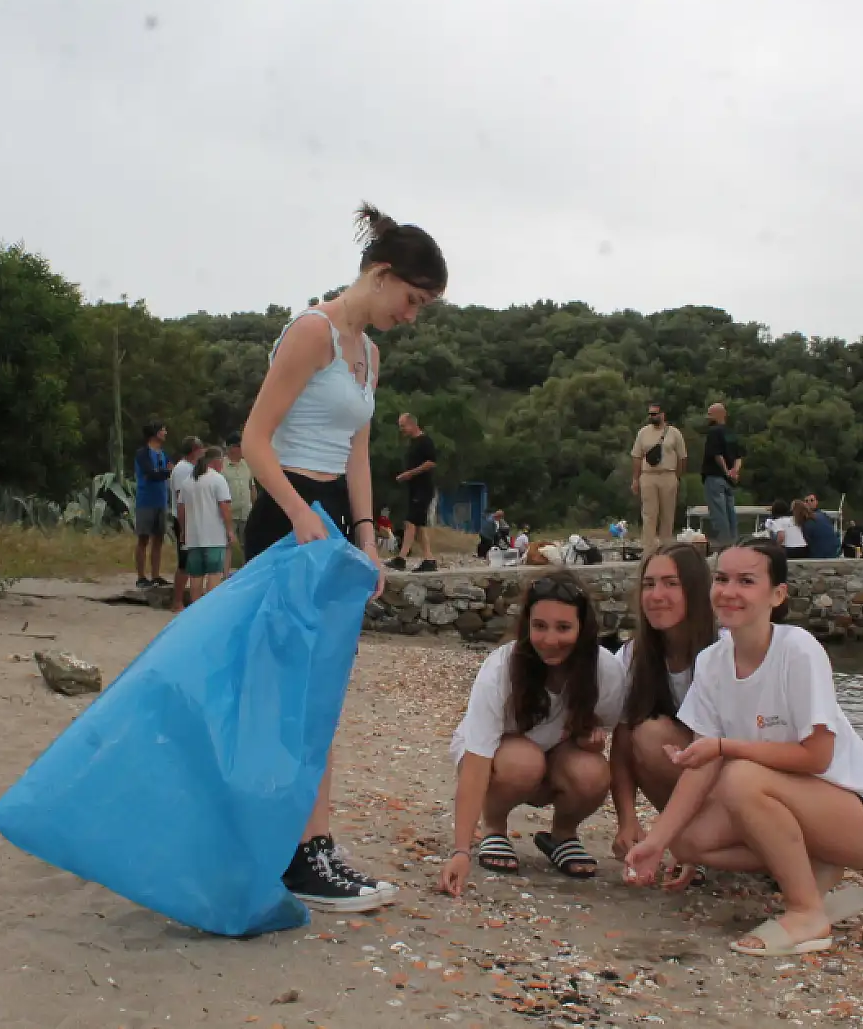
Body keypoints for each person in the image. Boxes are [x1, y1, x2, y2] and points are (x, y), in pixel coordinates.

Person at [239, 201, 446, 912]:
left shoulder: (370, 354)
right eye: (412, 300)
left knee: (320, 691)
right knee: (284, 695)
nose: (411, 315)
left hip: (329, 521)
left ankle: (310, 847)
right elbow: (254, 440)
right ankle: (295, 849)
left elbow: (358, 449)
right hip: (283, 518)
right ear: (382, 274)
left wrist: (365, 535)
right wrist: (300, 516)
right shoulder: (311, 331)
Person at [622, 541, 863, 958]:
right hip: (791, 804)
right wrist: (658, 841)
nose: (729, 591)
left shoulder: (797, 649)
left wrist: (727, 746)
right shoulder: (714, 661)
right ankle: (812, 871)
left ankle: (806, 913)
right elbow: (700, 763)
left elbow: (817, 757)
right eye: (722, 579)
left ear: (777, 595)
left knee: (738, 773)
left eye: (746, 581)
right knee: (689, 842)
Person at [438, 573, 626, 895]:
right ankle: (494, 827)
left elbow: (617, 739)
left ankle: (562, 835)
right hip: (502, 761)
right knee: (523, 762)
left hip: (556, 756)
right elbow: (477, 758)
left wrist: (627, 821)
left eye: (563, 628)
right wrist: (460, 850)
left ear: (583, 629)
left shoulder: (606, 671)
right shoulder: (501, 669)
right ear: (527, 625)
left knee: (592, 771)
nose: (550, 640)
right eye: (540, 626)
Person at [609, 544, 718, 882]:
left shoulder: (723, 650)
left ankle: (715, 841)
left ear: (696, 590)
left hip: (733, 778)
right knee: (644, 732)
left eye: (671, 583)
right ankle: (687, 843)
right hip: (691, 776)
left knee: (655, 733)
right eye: (649, 584)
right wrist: (627, 819)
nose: (657, 595)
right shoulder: (634, 655)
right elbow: (622, 739)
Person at [179, 445, 236, 601]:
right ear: (216, 461)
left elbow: (181, 509)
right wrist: (230, 530)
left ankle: (195, 610)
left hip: (194, 537)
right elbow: (225, 507)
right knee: (214, 573)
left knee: (196, 576)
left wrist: (184, 530)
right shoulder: (217, 479)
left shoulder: (187, 482)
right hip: (214, 536)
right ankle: (211, 609)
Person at [630, 402, 688, 553]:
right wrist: (635, 479)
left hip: (668, 474)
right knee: (649, 513)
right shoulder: (643, 432)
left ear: (662, 415)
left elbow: (682, 457)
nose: (652, 417)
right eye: (650, 414)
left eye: (655, 414)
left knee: (667, 514)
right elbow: (636, 456)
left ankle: (666, 547)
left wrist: (677, 477)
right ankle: (648, 548)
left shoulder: (674, 433)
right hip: (648, 476)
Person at [390, 413, 438, 572]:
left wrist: (410, 473)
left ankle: (402, 558)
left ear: (412, 424)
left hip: (423, 488)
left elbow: (431, 462)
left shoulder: (425, 441)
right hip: (414, 488)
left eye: (403, 426)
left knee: (410, 522)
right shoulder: (412, 443)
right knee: (419, 525)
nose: (401, 429)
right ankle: (429, 559)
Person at [133, 421, 173, 588]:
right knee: (143, 539)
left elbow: (165, 472)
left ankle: (156, 575)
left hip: (161, 500)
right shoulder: (142, 453)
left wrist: (162, 473)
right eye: (162, 430)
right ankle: (141, 576)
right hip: (146, 501)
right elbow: (150, 473)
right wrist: (166, 472)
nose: (165, 432)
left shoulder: (164, 453)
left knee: (159, 538)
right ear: (154, 433)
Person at [169, 437, 204, 611]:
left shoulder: (192, 468)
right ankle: (177, 601)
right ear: (194, 450)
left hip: (193, 519)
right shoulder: (183, 469)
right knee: (184, 561)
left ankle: (188, 599)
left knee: (192, 560)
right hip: (184, 519)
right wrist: (184, 525)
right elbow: (180, 496)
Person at [700, 403, 742, 547]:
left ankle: (724, 547)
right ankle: (734, 544)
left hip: (715, 477)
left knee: (719, 515)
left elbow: (716, 455)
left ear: (719, 414)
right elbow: (739, 456)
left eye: (710, 414)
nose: (708, 417)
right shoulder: (731, 433)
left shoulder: (714, 432)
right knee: (731, 514)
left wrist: (725, 471)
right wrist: (734, 472)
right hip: (729, 482)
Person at [220, 434, 257, 566]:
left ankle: (247, 573)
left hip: (246, 512)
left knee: (247, 545)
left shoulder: (246, 464)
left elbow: (251, 487)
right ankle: (224, 577)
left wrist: (255, 507)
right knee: (226, 545)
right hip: (229, 513)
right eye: (240, 446)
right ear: (232, 448)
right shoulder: (221, 466)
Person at [803, 493, 841, 560]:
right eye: (806, 501)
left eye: (811, 500)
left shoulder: (816, 518)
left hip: (819, 555)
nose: (809, 503)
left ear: (816, 502)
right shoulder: (824, 516)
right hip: (833, 553)